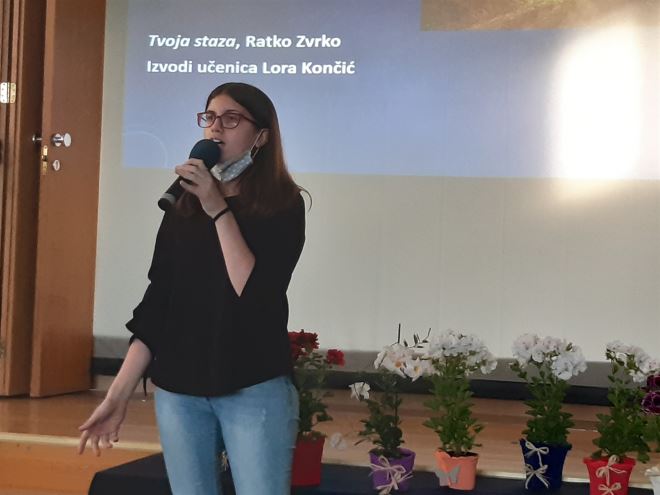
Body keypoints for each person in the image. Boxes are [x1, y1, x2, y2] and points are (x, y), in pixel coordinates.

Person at [78, 82, 306, 495]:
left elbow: (253, 291)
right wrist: (117, 394)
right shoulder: (182, 205)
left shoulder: (283, 204)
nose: (216, 128)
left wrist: (217, 207)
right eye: (210, 117)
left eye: (231, 119)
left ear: (261, 136)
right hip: (179, 389)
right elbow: (157, 304)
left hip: (252, 384)